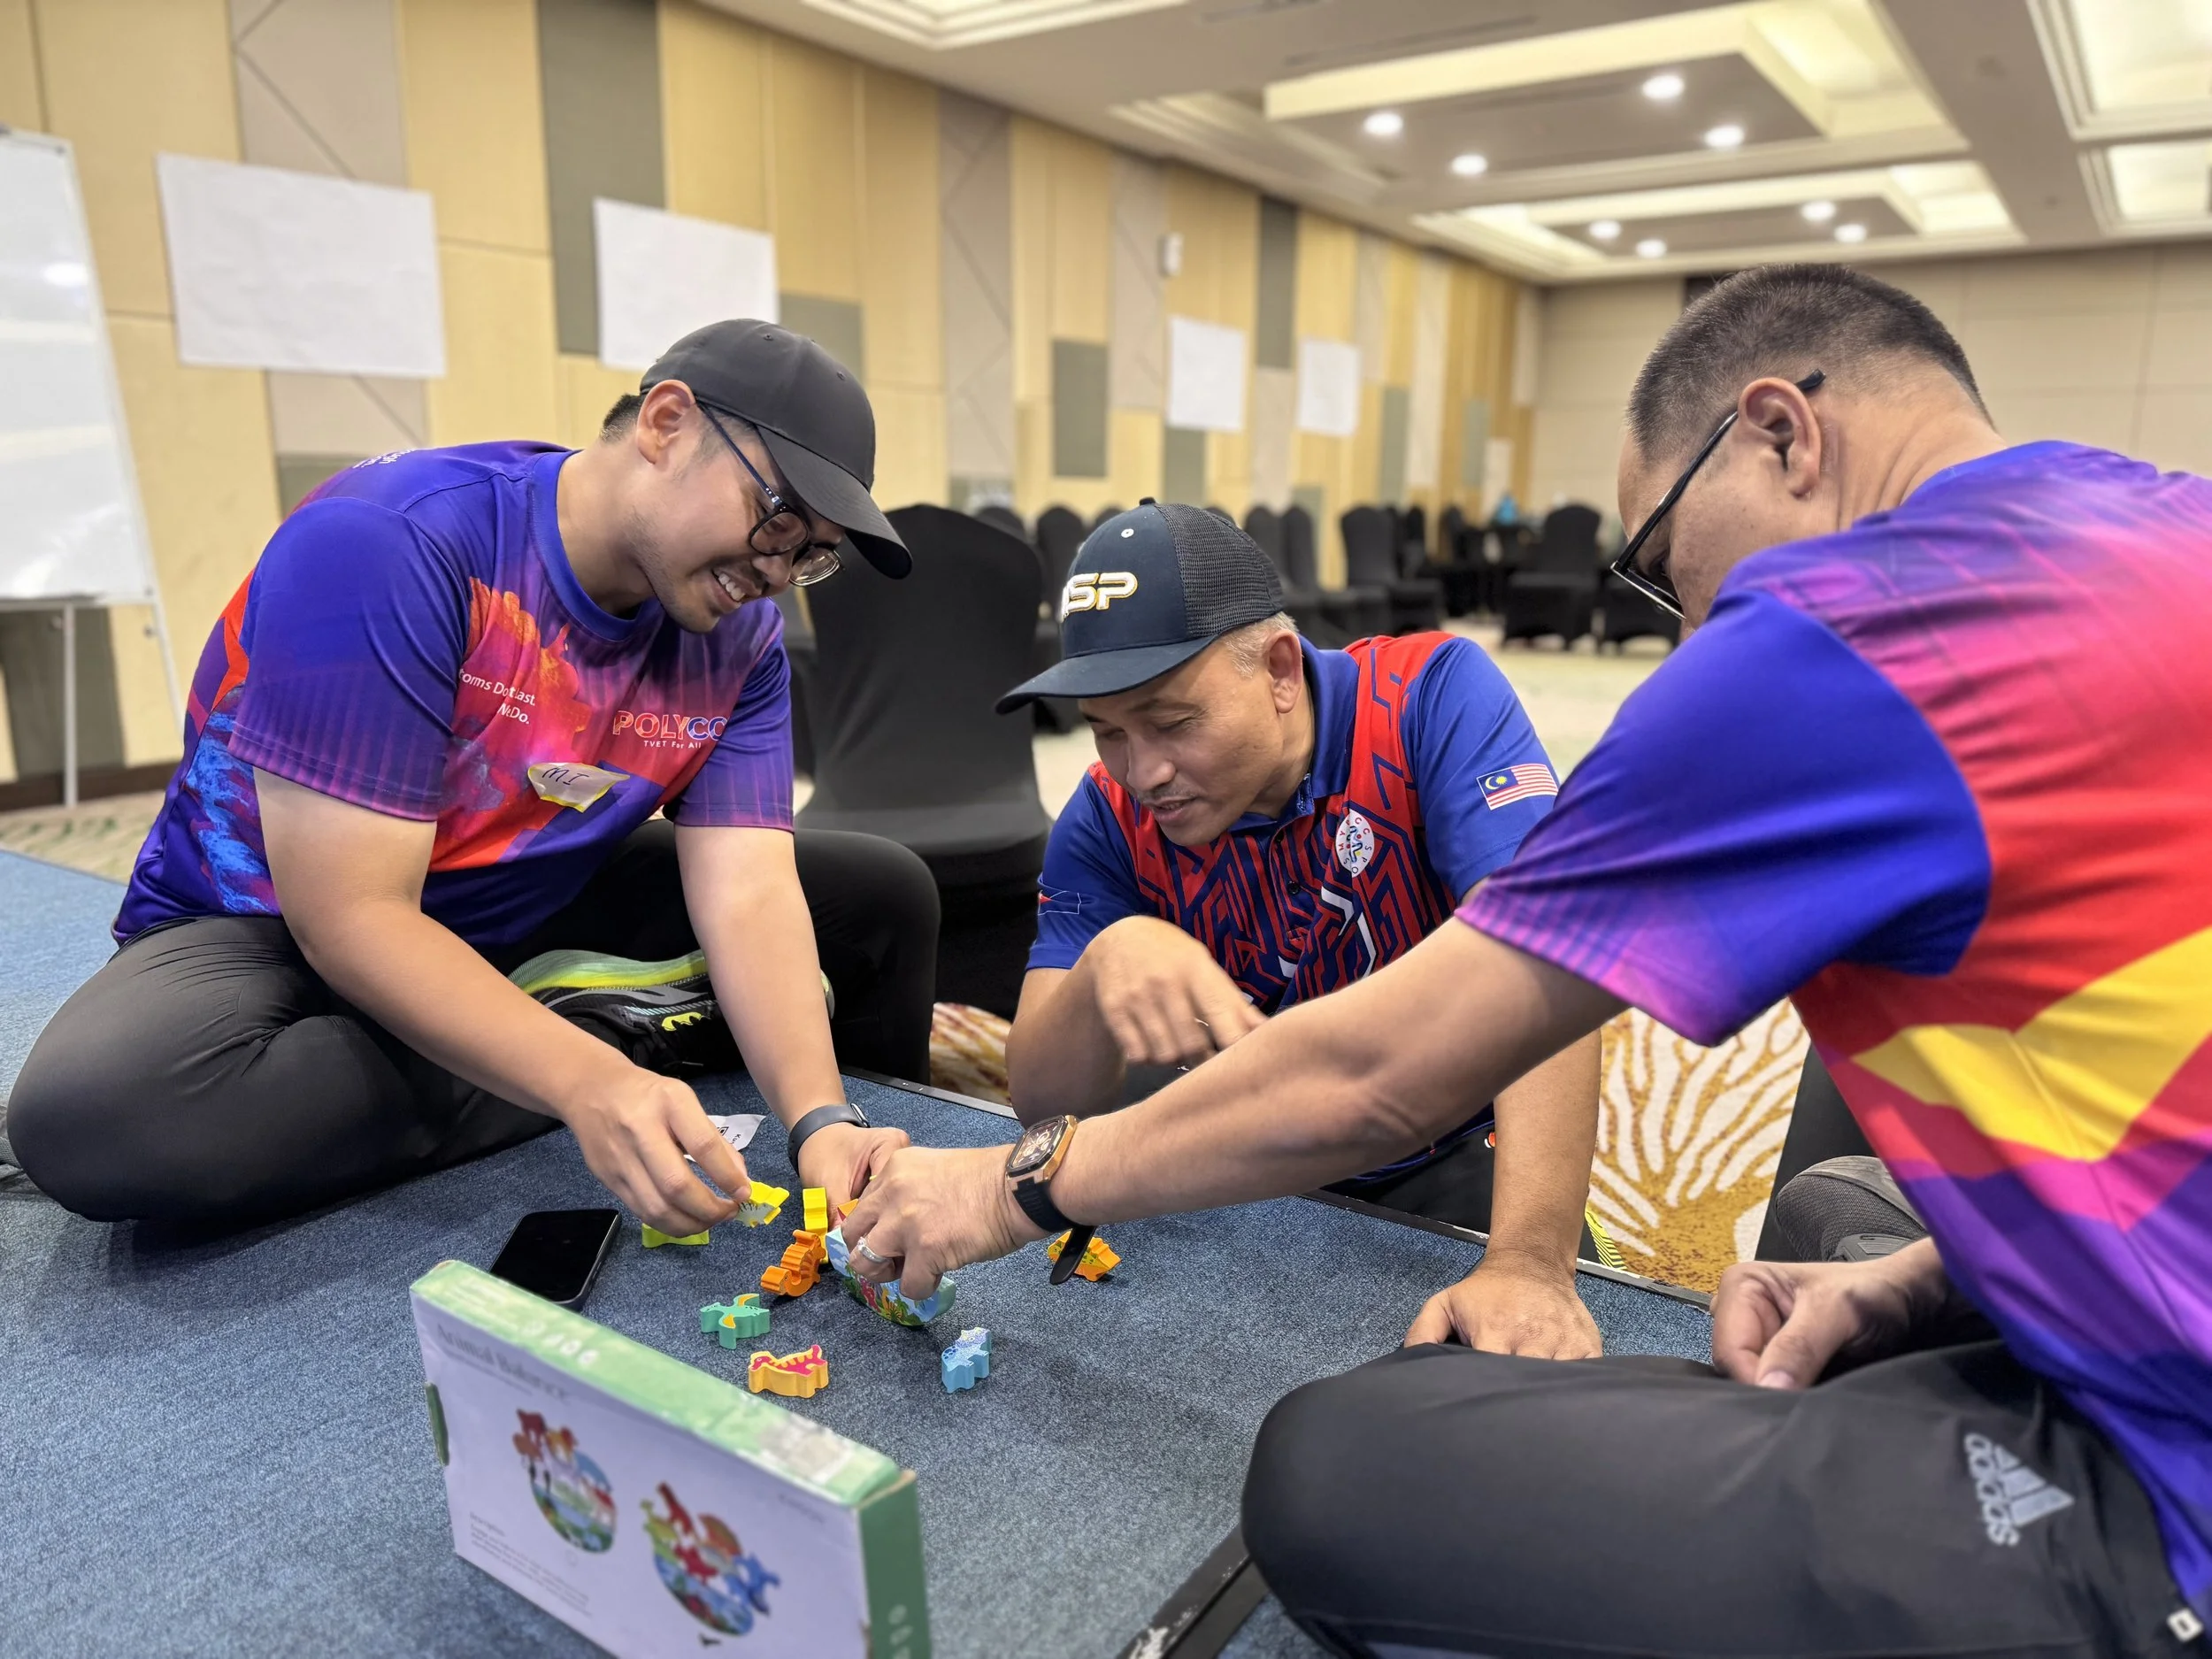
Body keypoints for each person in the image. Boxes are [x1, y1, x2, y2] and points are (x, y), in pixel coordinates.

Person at [836, 265, 2212, 1654]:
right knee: (1833, 1233)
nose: (1684, 623)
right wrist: (1925, 1274)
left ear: (1783, 433)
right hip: (2123, 1297)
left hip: (2169, 1489)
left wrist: (1014, 1192)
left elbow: (1377, 1075)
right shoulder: (2172, 519)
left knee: (1340, 1463)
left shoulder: (1832, 641)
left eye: (1669, 560)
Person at [7, 321, 933, 1235]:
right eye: (774, 520)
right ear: (665, 423)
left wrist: (819, 1119)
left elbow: (747, 892)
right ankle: (600, 1032)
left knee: (880, 897)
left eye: (809, 553)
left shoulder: (740, 637)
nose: (773, 572)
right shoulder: (388, 542)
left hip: (524, 896)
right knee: (94, 1117)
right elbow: (351, 916)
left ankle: (546, 1031)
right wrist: (585, 1079)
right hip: (270, 926)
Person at [995, 500, 1607, 1355]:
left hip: (1447, 1149)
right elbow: (1041, 1104)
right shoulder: (1107, 815)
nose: (1144, 772)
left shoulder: (1427, 700)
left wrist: (1532, 1259)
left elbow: (1551, 964)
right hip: (1236, 1153)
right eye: (1106, 733)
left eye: (1171, 722)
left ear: (1280, 669)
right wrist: (1104, 963)